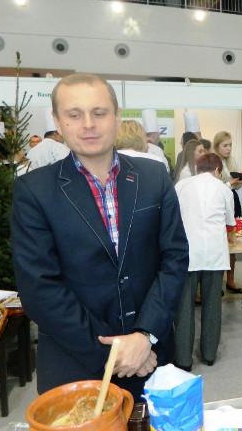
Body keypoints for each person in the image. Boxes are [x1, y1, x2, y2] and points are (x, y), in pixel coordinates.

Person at [11, 73, 189, 400]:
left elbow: (174, 259)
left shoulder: (153, 177)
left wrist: (145, 335)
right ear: (58, 121)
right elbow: (39, 288)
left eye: (99, 112)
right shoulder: (35, 190)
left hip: (151, 359)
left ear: (116, 117)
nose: (89, 124)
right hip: (76, 363)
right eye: (74, 114)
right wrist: (114, 353)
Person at [174, 153, 236, 370]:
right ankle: (209, 354)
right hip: (214, 254)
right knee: (212, 305)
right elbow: (230, 222)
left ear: (197, 169)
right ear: (218, 170)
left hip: (187, 253)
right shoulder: (223, 189)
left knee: (184, 308)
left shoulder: (181, 186)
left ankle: (183, 359)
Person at [213, 131, 242, 293]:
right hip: (219, 205)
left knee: (232, 241)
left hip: (232, 200)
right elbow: (214, 189)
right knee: (219, 245)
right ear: (217, 146)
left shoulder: (231, 161)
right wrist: (230, 183)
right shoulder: (212, 162)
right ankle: (216, 283)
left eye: (230, 145)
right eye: (225, 145)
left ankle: (230, 280)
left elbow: (236, 186)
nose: (228, 148)